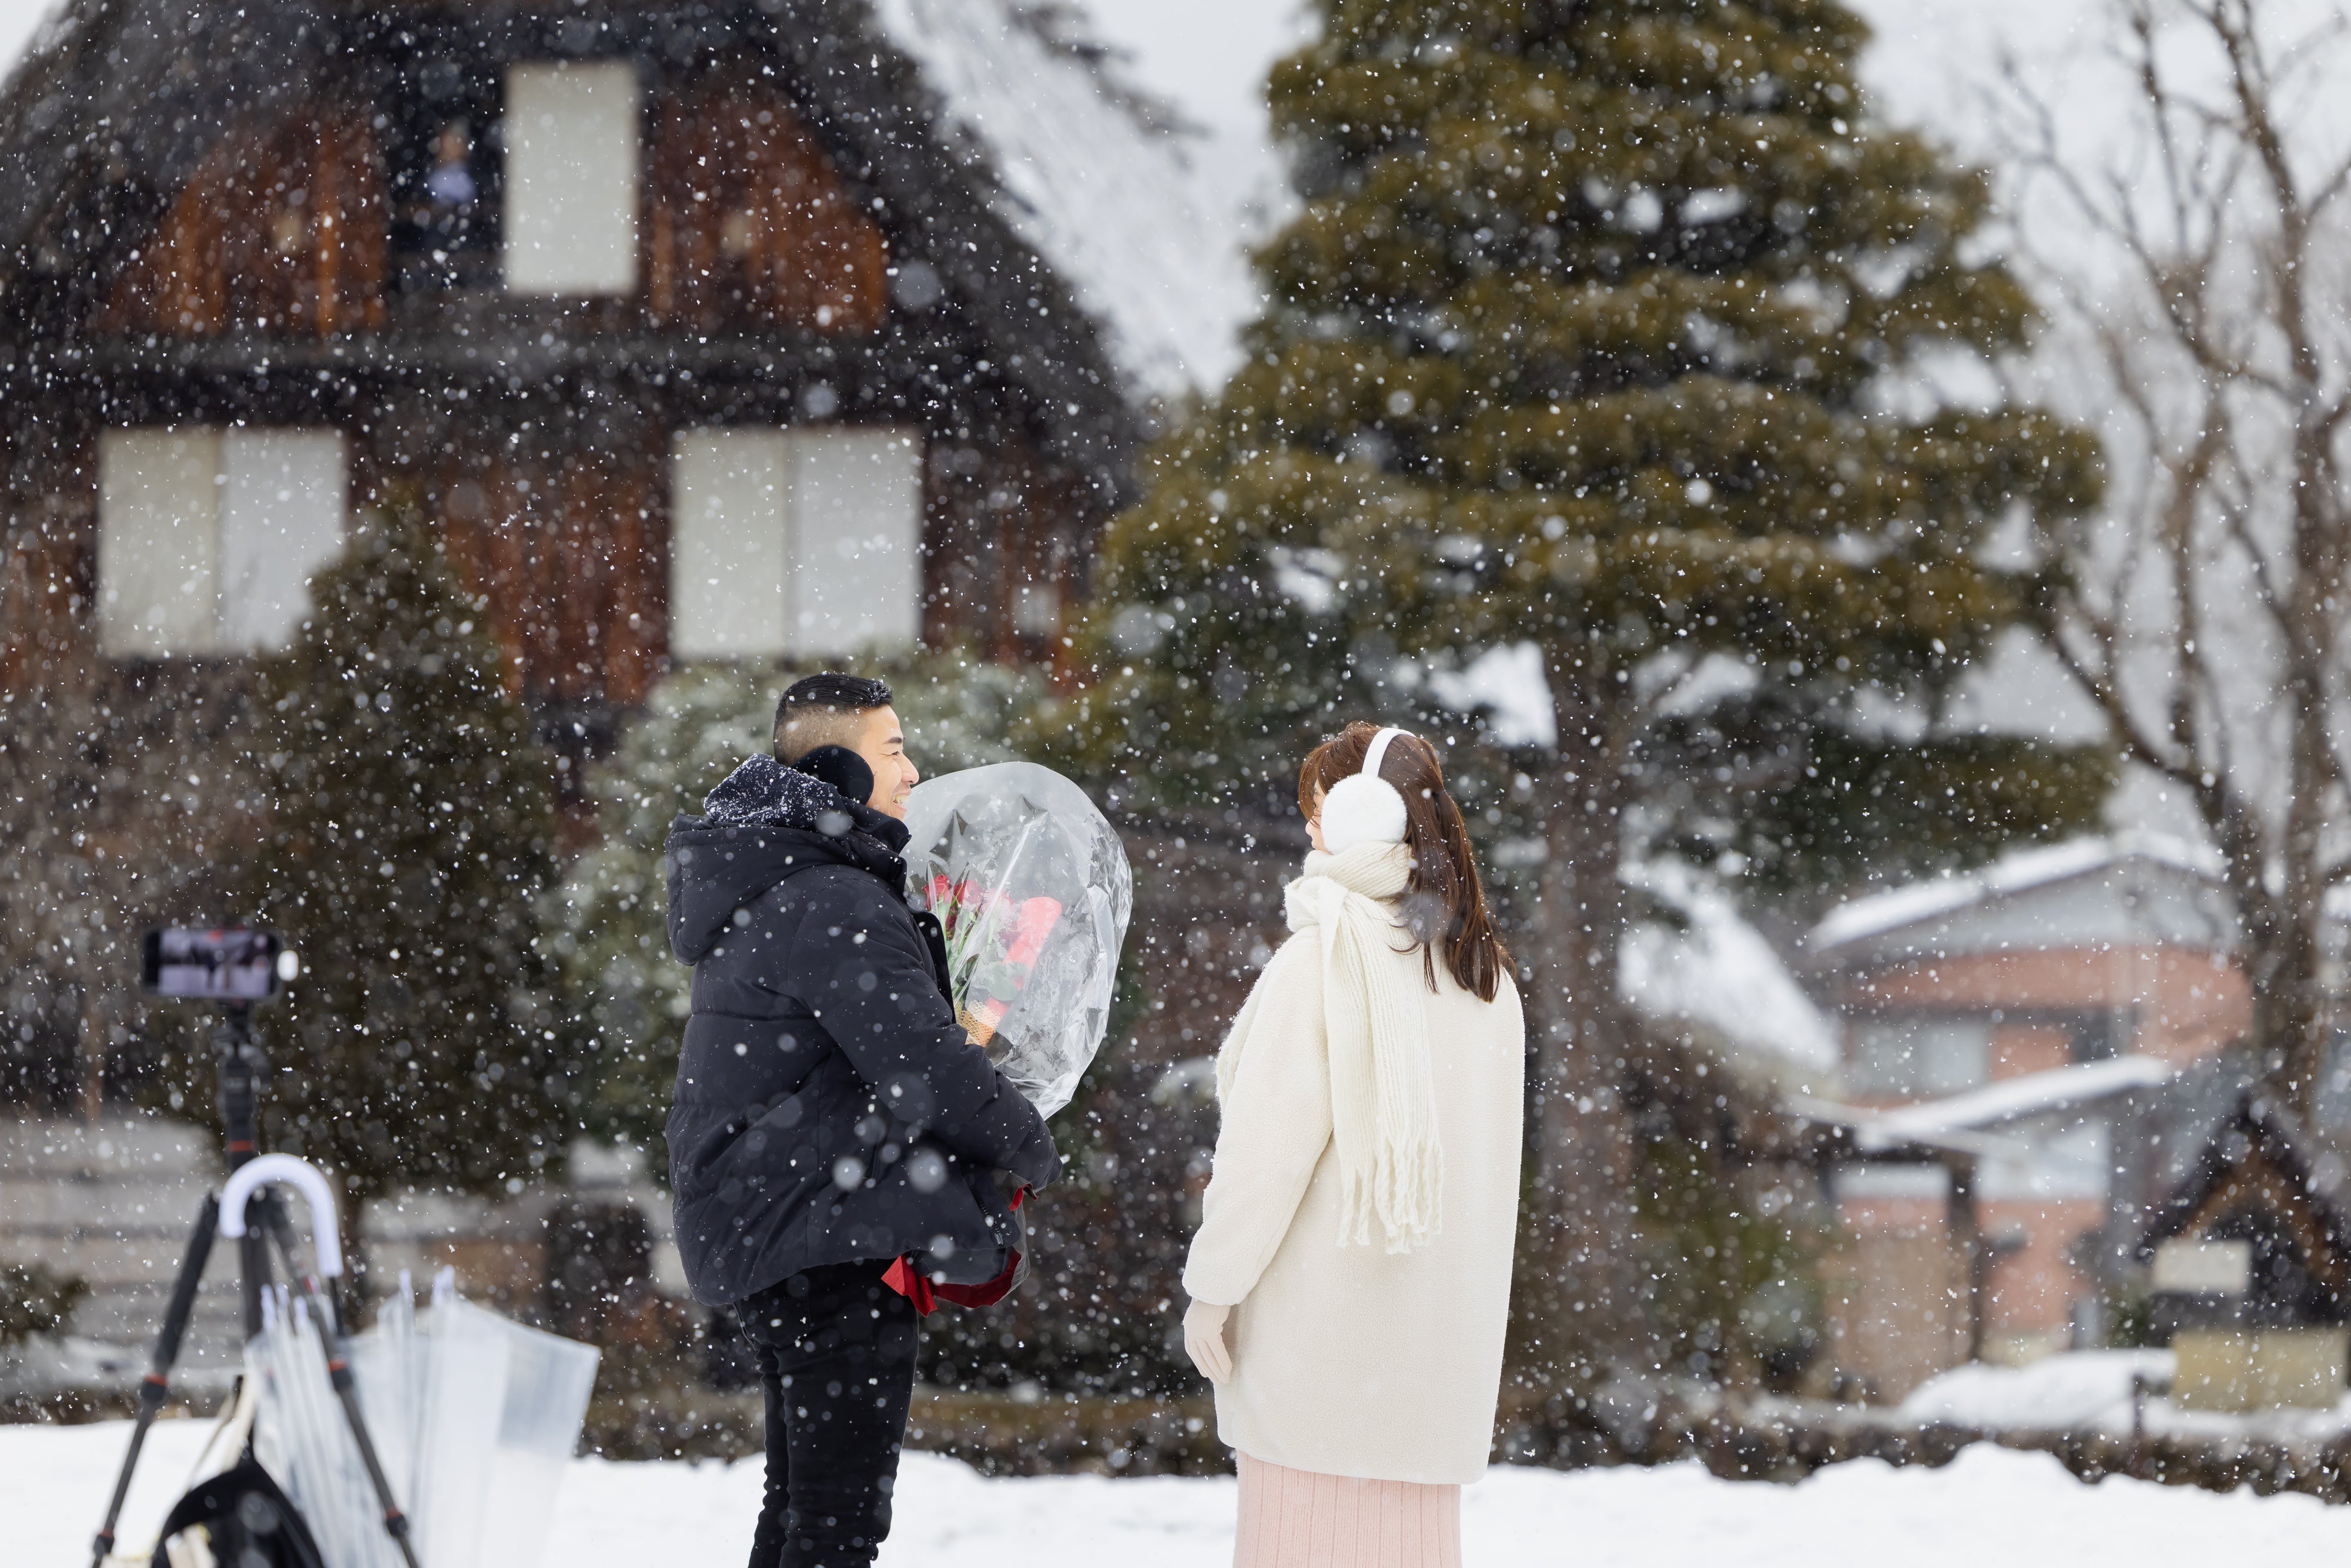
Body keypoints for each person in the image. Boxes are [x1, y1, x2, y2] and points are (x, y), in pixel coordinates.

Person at [665, 671, 1061, 1568]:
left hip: (788, 1227)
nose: (914, 771)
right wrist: (1029, 1142)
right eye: (893, 752)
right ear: (840, 770)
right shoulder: (831, 899)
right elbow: (927, 1072)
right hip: (827, 1236)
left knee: (801, 1514)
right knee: (837, 1526)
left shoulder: (778, 881)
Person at [1181, 722, 1525, 1567]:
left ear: (1362, 818)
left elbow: (1265, 1158)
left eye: (1319, 810)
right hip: (1432, 1362)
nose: (1310, 828)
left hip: (1317, 1353)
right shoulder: (1485, 977)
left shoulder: (1323, 962)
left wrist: (1212, 1288)